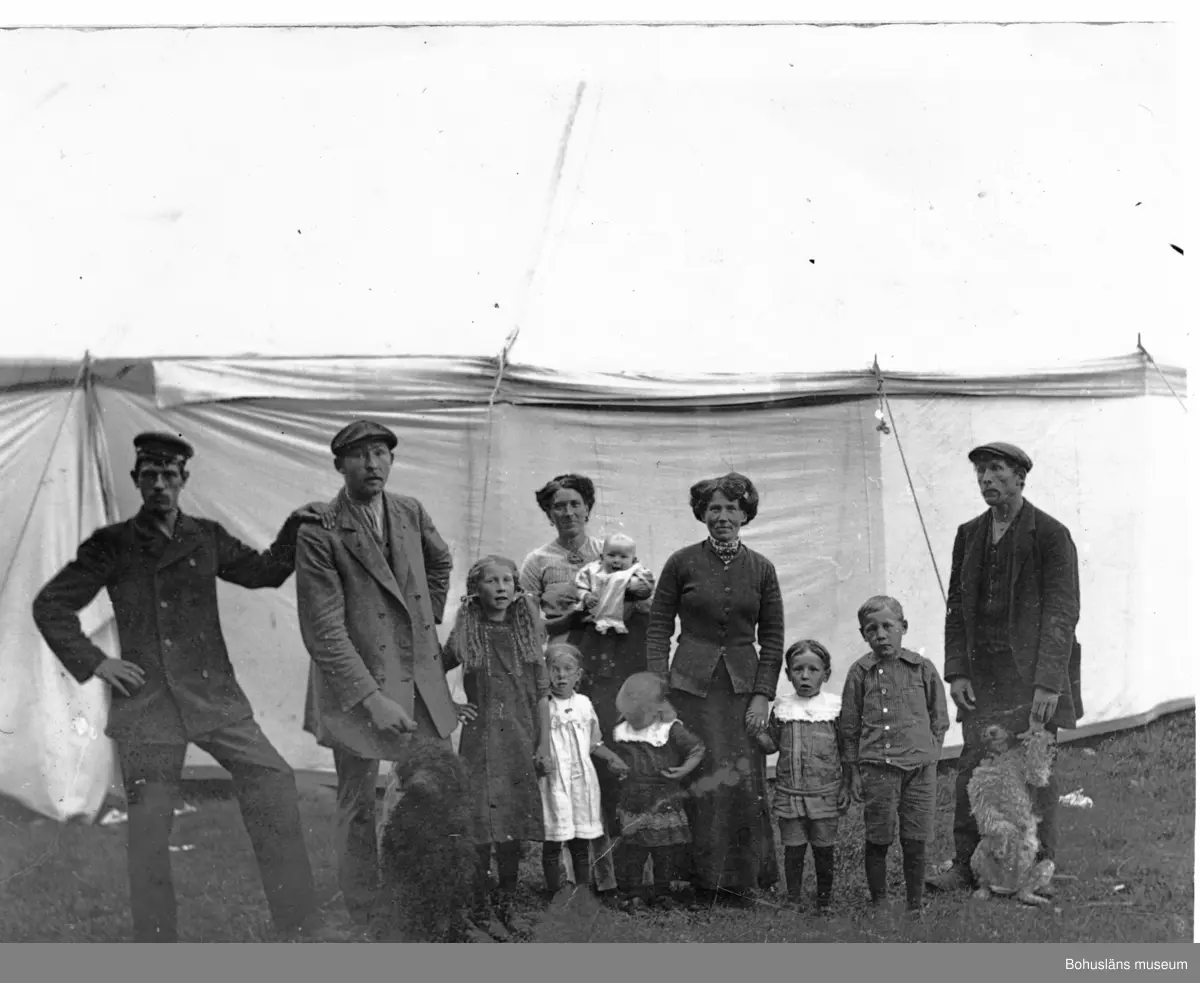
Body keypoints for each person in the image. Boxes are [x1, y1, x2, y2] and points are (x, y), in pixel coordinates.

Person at [31, 431, 336, 943]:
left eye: (168, 475)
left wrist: (292, 527)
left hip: (212, 696)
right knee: (150, 832)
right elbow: (50, 606)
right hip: (148, 706)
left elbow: (263, 573)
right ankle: (156, 944)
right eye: (149, 475)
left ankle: (299, 923)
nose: (159, 485)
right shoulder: (112, 545)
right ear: (136, 481)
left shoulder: (206, 536)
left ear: (183, 481)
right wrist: (99, 663)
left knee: (273, 783)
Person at [294, 420, 460, 934]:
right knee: (359, 801)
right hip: (358, 686)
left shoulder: (409, 510)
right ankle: (367, 910)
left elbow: (441, 559)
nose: (373, 465)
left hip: (418, 680)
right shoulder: (319, 530)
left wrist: (426, 617)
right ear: (338, 464)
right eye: (361, 455)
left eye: (382, 454)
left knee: (437, 791)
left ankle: (428, 897)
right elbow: (324, 632)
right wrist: (372, 700)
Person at [926, 442, 1082, 895]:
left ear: (1020, 477)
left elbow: (1062, 611)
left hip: (1033, 679)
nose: (986, 480)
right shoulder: (968, 534)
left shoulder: (1051, 534)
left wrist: (1049, 681)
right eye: (980, 473)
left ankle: (1040, 868)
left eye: (996, 471)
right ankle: (965, 864)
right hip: (982, 677)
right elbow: (956, 607)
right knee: (973, 768)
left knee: (1036, 773)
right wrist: (956, 670)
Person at [646, 471, 784, 904]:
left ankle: (741, 881)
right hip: (690, 690)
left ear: (746, 514)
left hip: (741, 692)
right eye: (714, 508)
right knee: (699, 775)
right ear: (702, 513)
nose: (722, 516)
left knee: (744, 781)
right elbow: (657, 629)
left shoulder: (762, 568)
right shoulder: (681, 562)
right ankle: (701, 879)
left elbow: (774, 637)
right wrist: (659, 688)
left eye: (731, 508)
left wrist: (762, 693)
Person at [519, 473, 649, 891]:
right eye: (559, 506)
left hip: (607, 669)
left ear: (589, 508)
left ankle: (611, 873)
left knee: (606, 765)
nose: (569, 512)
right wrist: (570, 618)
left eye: (576, 504)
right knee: (564, 768)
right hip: (560, 675)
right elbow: (526, 624)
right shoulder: (538, 561)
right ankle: (569, 878)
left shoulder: (611, 552)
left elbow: (645, 598)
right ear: (548, 512)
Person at [440, 555, 549, 935]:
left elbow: (541, 694)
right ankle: (480, 910)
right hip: (481, 745)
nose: (501, 587)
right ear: (476, 588)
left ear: (517, 589)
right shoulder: (468, 634)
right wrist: (451, 705)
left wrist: (544, 745)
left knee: (512, 828)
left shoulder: (525, 634)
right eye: (492, 581)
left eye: (507, 581)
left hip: (519, 742)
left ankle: (507, 904)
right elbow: (433, 670)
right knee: (482, 829)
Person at [841, 596, 949, 914]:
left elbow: (938, 716)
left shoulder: (922, 668)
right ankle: (880, 903)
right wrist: (853, 770)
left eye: (888, 626)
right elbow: (848, 725)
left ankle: (915, 904)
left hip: (919, 769)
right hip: (879, 768)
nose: (881, 635)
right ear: (863, 635)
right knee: (879, 836)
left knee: (916, 837)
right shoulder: (860, 672)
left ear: (904, 627)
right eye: (871, 629)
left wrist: (930, 753)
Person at [755, 640, 851, 912]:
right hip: (790, 794)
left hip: (825, 793)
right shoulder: (783, 708)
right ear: (787, 674)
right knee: (793, 849)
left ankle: (824, 902)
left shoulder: (834, 708)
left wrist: (847, 784)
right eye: (798, 669)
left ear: (826, 674)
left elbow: (846, 750)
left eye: (813, 669)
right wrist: (753, 730)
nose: (805, 676)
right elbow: (771, 744)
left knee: (824, 849)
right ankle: (794, 898)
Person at [538, 644, 628, 901]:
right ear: (545, 673)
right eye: (554, 670)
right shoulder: (544, 706)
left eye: (568, 670)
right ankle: (554, 891)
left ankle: (582, 888)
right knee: (554, 837)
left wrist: (612, 758)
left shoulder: (584, 704)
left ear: (579, 675)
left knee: (580, 838)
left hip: (581, 782)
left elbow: (593, 743)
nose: (561, 676)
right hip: (554, 781)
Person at [610, 672, 706, 911]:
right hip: (634, 797)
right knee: (634, 849)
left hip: (663, 797)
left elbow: (697, 748)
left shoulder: (670, 729)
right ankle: (633, 893)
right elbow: (620, 758)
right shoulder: (624, 730)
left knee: (664, 850)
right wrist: (617, 767)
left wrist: (684, 769)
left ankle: (663, 893)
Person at [573, 532, 656, 636]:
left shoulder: (637, 572)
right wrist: (586, 596)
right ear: (602, 557)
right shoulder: (592, 570)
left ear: (633, 560)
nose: (616, 560)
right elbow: (580, 586)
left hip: (627, 622)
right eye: (611, 555)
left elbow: (648, 587)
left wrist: (632, 586)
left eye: (623, 557)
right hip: (596, 621)